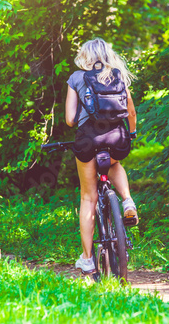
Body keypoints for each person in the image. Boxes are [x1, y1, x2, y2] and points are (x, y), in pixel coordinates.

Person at [64, 38, 138, 274]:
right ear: (108, 54)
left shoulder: (77, 78)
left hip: (88, 140)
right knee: (115, 164)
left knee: (88, 198)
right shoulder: (117, 75)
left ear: (85, 56)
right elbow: (131, 111)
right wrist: (132, 133)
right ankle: (127, 200)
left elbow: (70, 119)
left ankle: (87, 260)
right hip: (116, 137)